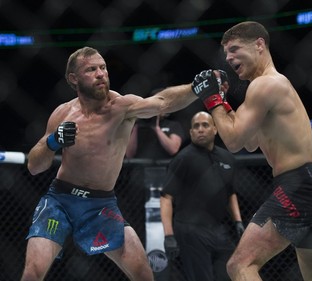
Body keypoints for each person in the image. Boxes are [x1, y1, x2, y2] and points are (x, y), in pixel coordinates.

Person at [21, 46, 195, 281]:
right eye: (91, 69)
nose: (101, 73)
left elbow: (163, 102)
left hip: (100, 205)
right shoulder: (62, 114)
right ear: (73, 78)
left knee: (144, 275)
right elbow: (34, 166)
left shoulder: (122, 107)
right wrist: (52, 142)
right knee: (33, 272)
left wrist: (197, 88)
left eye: (103, 67)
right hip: (60, 201)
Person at [185, 22, 312, 281]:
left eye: (234, 49)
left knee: (240, 265)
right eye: (226, 54)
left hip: (299, 186)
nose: (229, 58)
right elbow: (249, 142)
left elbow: (232, 143)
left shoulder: (264, 85)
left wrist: (212, 100)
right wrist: (222, 101)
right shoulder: (265, 88)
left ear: (259, 44)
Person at [160, 111, 244, 281]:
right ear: (191, 132)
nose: (200, 129)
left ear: (215, 129)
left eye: (205, 125)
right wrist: (168, 235)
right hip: (189, 229)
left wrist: (238, 222)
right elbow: (166, 197)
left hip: (218, 229)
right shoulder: (183, 159)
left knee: (233, 270)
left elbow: (231, 193)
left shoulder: (227, 158)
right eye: (196, 126)